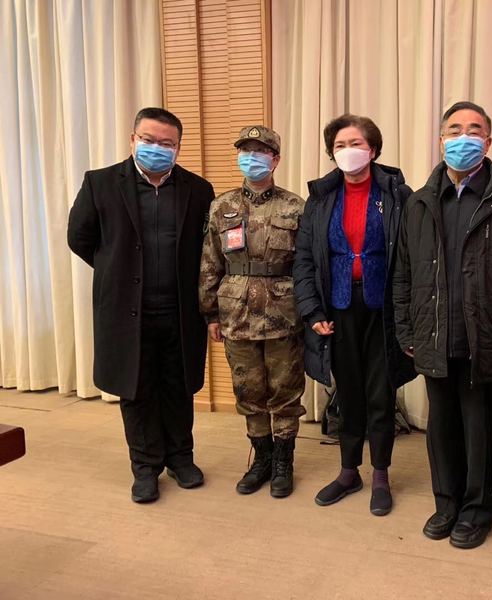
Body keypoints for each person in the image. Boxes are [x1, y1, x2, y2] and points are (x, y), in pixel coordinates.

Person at [393, 101, 492, 548]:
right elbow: (403, 275)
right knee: (441, 429)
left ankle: (479, 509)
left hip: (491, 340)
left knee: (482, 431)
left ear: (488, 142)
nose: (464, 137)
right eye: (455, 130)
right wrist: (406, 331)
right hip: (435, 336)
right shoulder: (419, 202)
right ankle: (447, 503)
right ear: (441, 140)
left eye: (474, 130)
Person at [67, 107, 215, 503]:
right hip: (125, 312)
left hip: (180, 311)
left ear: (178, 147)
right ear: (133, 139)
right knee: (136, 390)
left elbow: (208, 249)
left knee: (178, 387)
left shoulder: (199, 189)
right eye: (149, 140)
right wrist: (118, 270)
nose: (157, 148)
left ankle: (181, 458)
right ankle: (145, 468)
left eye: (167, 143)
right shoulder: (100, 183)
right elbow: (79, 237)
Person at [293, 114, 416, 516]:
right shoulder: (320, 198)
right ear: (332, 153)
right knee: (347, 393)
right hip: (338, 308)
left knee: (380, 393)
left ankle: (380, 475)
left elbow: (414, 258)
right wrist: (312, 310)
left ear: (373, 149)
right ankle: (349, 472)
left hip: (384, 309)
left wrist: (409, 316)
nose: (348, 151)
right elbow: (305, 259)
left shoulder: (398, 194)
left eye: (356, 144)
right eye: (340, 146)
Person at [199, 125, 306, 498]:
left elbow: (306, 266)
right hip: (236, 314)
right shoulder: (222, 206)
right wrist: (211, 313)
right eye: (245, 151)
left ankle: (283, 462)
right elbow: (210, 261)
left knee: (286, 391)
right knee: (248, 390)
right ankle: (261, 459)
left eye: (260, 152)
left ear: (275, 159)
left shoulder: (295, 206)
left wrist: (309, 312)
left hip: (283, 315)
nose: (251, 158)